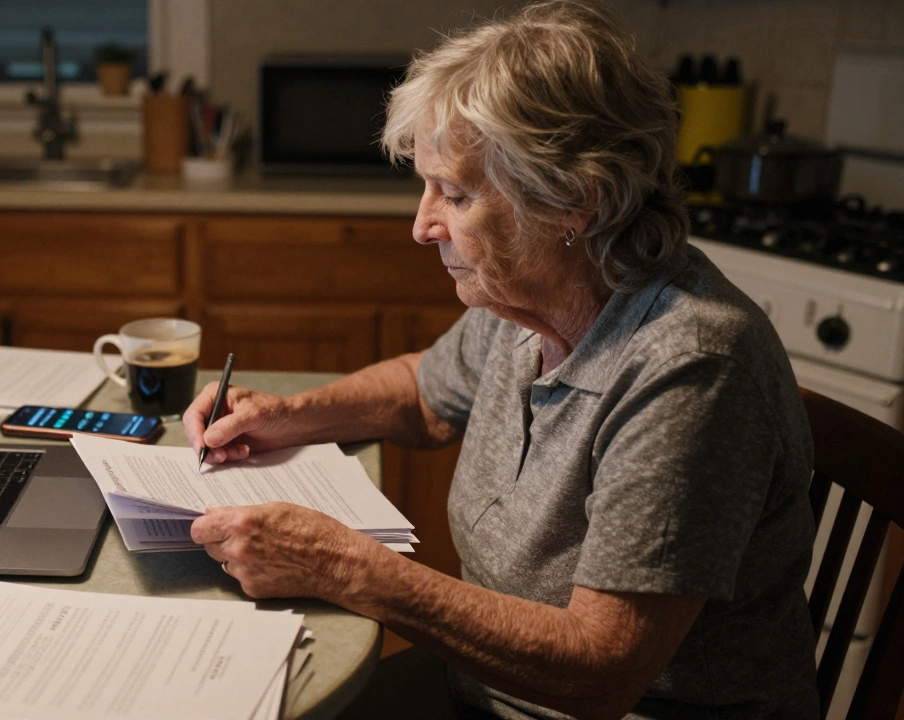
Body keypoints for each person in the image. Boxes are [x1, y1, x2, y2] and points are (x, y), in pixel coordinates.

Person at [181, 2, 818, 718]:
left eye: (454, 194)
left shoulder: (691, 365)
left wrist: (342, 569)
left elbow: (601, 671)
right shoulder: (528, 301)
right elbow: (421, 396)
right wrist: (287, 415)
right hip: (486, 694)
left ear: (576, 201)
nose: (422, 227)